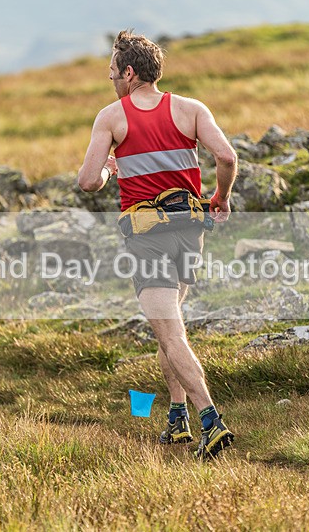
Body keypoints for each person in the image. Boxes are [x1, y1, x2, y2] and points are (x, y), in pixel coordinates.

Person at [78, 29, 238, 460]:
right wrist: (221, 198)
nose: (110, 78)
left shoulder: (112, 117)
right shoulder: (191, 109)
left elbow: (88, 181)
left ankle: (211, 421)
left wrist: (110, 167)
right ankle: (177, 415)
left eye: (113, 71)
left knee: (170, 331)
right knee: (169, 326)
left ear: (129, 73)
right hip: (190, 230)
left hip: (148, 236)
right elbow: (226, 157)